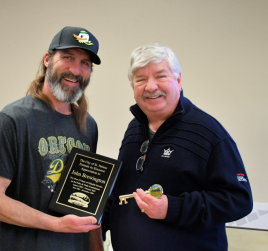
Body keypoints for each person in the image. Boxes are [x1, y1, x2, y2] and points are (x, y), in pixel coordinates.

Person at [102, 43, 253, 251]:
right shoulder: (134, 129)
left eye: (160, 76)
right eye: (141, 79)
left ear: (178, 80)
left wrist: (172, 208)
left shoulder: (209, 133)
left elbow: (239, 199)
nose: (151, 86)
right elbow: (122, 191)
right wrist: (96, 223)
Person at [0, 26, 104, 251]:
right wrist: (55, 224)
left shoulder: (88, 125)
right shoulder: (14, 119)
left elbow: (90, 206)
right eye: (68, 57)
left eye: (85, 63)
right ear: (47, 59)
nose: (76, 70)